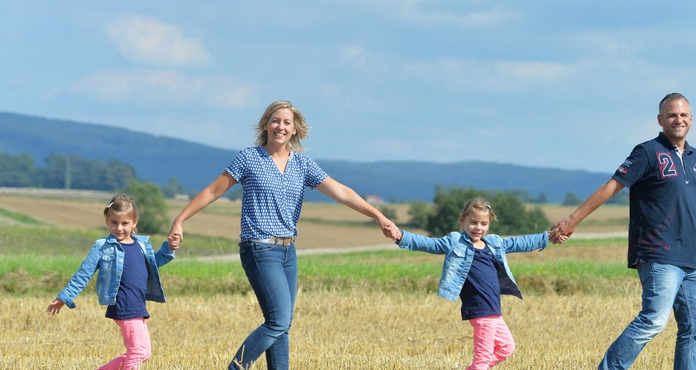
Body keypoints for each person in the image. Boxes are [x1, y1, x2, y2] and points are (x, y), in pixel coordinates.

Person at [168, 100, 399, 370]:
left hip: (288, 252)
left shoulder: (303, 165)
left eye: (286, 122)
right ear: (265, 125)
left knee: (282, 326)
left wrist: (378, 216)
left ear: (295, 130)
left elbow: (342, 192)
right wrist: (180, 219)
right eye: (275, 120)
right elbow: (213, 191)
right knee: (277, 321)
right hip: (259, 248)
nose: (280, 126)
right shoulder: (249, 158)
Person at [549, 92, 696, 370]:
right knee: (653, 320)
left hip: (688, 260)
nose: (679, 119)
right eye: (672, 115)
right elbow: (610, 188)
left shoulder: (695, 158)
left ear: (691, 120)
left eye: (684, 115)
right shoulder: (647, 152)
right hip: (657, 255)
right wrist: (571, 221)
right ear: (660, 119)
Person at [389, 197, 565, 370]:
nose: (478, 228)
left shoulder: (494, 244)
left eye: (483, 224)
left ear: (489, 224)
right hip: (480, 310)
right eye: (473, 222)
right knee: (482, 360)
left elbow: (519, 243)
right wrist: (401, 236)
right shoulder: (455, 242)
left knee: (506, 348)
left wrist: (547, 237)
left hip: (495, 309)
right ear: (462, 221)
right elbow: (428, 244)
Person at [46, 194, 179, 370]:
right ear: (107, 221)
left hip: (138, 303)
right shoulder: (103, 246)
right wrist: (64, 297)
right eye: (113, 222)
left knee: (143, 353)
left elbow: (154, 264)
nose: (119, 228)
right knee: (138, 352)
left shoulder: (141, 245)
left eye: (124, 223)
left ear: (134, 223)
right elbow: (83, 274)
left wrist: (168, 248)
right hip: (124, 304)